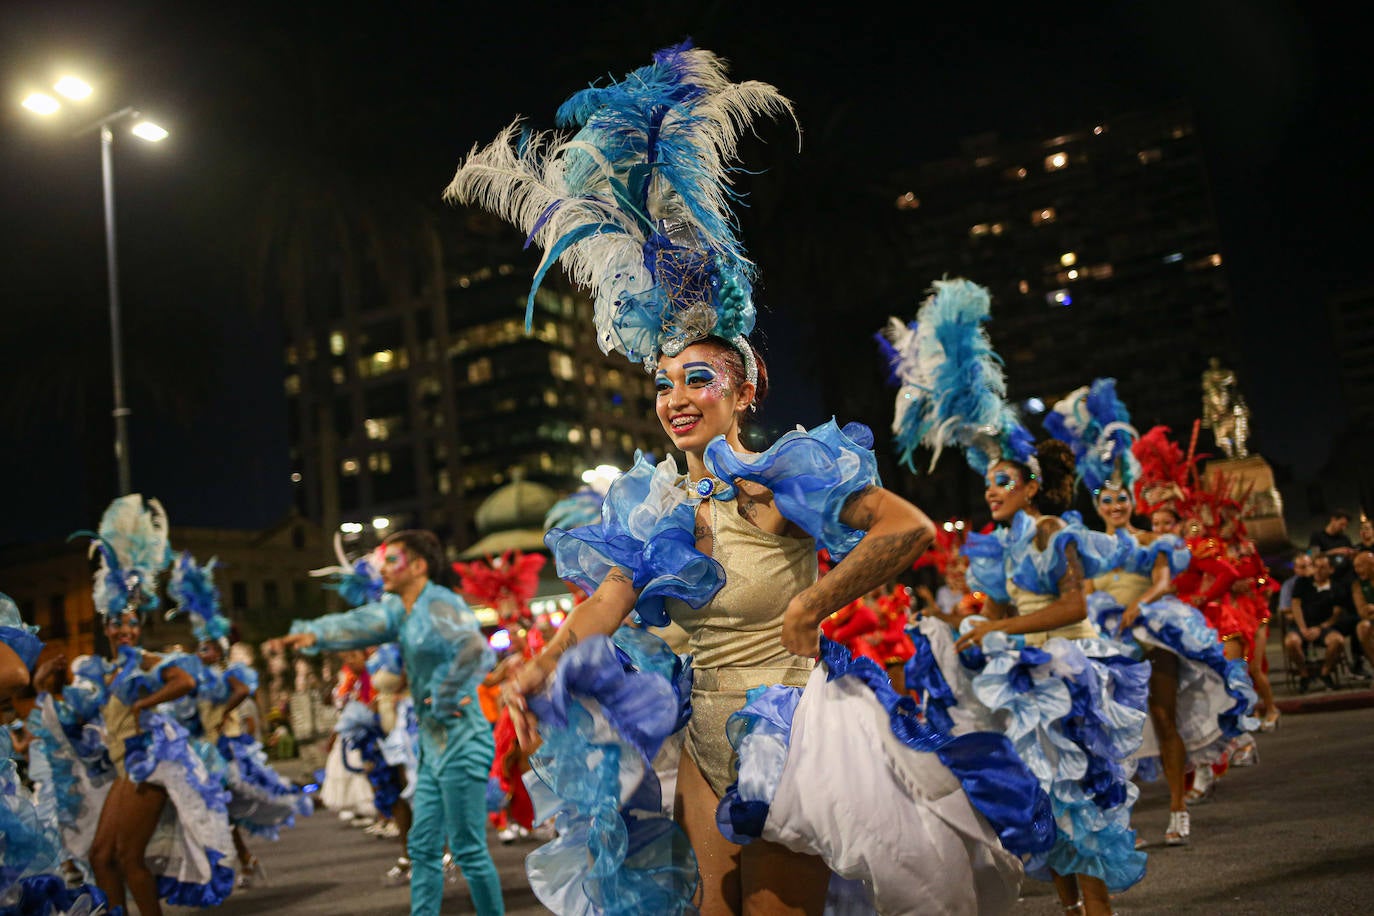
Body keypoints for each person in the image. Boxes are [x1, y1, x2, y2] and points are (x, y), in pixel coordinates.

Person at [450, 45, 1049, 916]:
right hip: (701, 740)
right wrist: (538, 664)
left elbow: (907, 530)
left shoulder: (778, 479)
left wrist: (811, 606)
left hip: (791, 735)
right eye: (662, 382)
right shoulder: (659, 503)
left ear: (743, 388)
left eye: (698, 379)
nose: (675, 399)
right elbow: (608, 600)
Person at [887, 282, 1152, 916]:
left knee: (1077, 806)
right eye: (989, 481)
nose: (992, 490)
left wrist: (1002, 629)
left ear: (1031, 487)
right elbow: (1000, 614)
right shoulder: (999, 546)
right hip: (1016, 682)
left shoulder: (1057, 532)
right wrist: (960, 624)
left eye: (1004, 480)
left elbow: (1074, 609)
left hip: (1065, 676)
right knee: (1039, 809)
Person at [1046, 380, 1259, 846]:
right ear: (1097, 504)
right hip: (1106, 641)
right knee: (1109, 731)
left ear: (1131, 501)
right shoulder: (1085, 546)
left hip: (1153, 632)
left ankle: (1178, 810)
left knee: (1163, 717)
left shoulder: (1149, 541)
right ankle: (1121, 824)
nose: (1116, 505)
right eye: (1107, 499)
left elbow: (1163, 581)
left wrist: (1139, 605)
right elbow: (1077, 589)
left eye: (1123, 498)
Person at [267, 529, 503, 916]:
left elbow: (476, 650)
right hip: (431, 745)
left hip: (463, 738)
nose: (382, 568)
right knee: (422, 846)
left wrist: (445, 694)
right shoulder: (399, 610)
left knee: (468, 848)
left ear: (419, 565)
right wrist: (315, 633)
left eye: (392, 559)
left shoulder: (441, 603)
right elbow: (361, 623)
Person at [42, 495, 235, 914]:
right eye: (117, 621)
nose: (125, 628)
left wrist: (145, 701)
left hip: (150, 762)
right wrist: (50, 688)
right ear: (105, 624)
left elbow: (184, 680)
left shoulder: (147, 662)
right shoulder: (98, 671)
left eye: (131, 621)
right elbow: (76, 720)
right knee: (100, 858)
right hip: (122, 766)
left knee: (127, 859)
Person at [1, 591, 110, 915]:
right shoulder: (43, 712)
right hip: (42, 782)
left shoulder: (65, 711)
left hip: (70, 783)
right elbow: (24, 741)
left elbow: (17, 677)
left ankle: (75, 868)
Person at [1285, 554, 1350, 691]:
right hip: (1302, 625)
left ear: (1331, 570)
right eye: (1316, 567)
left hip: (1324, 626)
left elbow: (1336, 614)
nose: (1318, 571)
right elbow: (1296, 606)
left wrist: (1320, 628)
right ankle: (1304, 675)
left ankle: (1325, 673)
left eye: (1323, 568)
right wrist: (1302, 628)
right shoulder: (1302, 583)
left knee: (1337, 641)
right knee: (1291, 642)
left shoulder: (1336, 587)